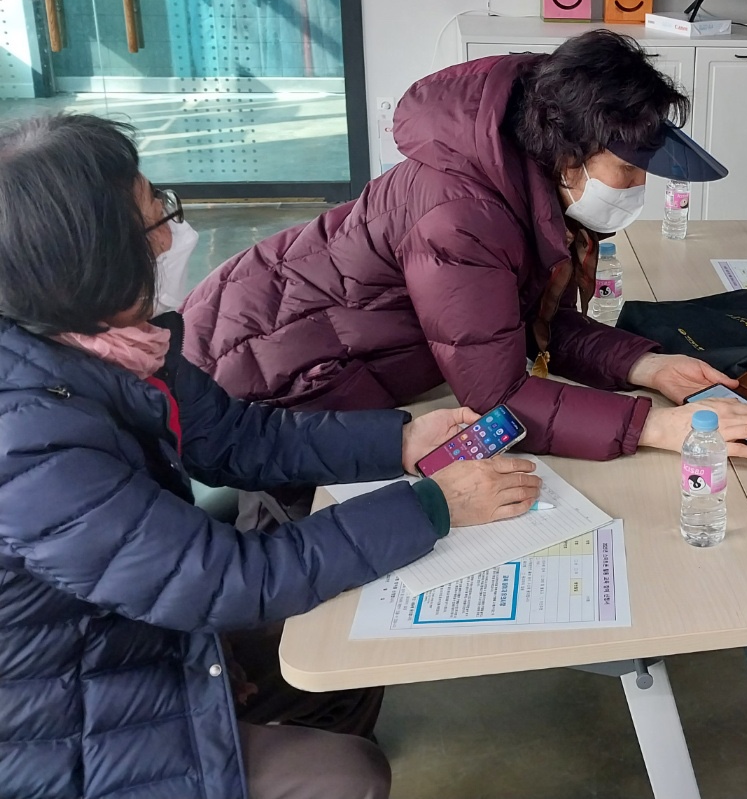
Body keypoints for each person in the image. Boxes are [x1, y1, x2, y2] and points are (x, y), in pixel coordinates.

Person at [0, 114, 544, 799]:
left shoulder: (121, 347)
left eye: (160, 204)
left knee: (351, 628)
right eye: (150, 223)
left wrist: (400, 441)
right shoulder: (29, 442)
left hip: (132, 628)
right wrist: (435, 503)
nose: (171, 236)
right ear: (85, 260)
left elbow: (240, 438)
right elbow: (225, 577)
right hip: (66, 716)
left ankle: (289, 720)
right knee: (349, 777)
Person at [183, 30, 747, 466]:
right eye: (628, 169)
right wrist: (657, 426)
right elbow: (496, 395)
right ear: (566, 153)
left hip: (296, 333)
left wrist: (645, 365)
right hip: (264, 369)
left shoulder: (515, 173)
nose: (639, 188)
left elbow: (525, 322)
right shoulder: (462, 215)